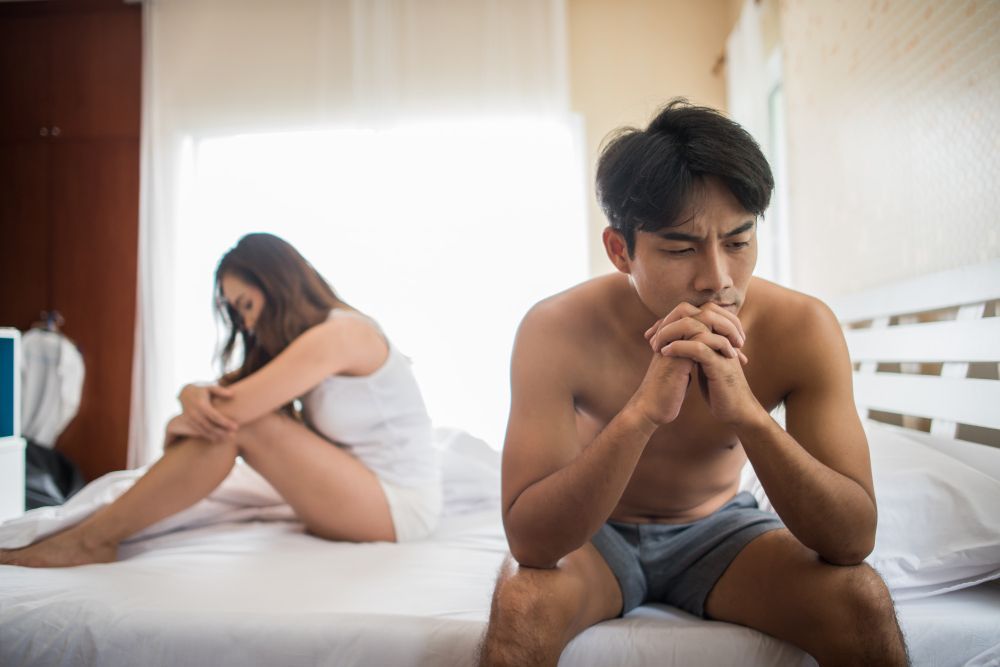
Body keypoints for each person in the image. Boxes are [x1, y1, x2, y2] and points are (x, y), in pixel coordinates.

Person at [478, 100, 909, 666]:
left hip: (721, 534)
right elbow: (531, 544)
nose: (718, 280)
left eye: (738, 241)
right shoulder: (554, 329)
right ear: (619, 251)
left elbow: (852, 541)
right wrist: (640, 415)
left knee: (861, 600)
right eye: (681, 249)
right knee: (522, 603)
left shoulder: (803, 328)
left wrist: (748, 416)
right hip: (594, 539)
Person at [1, 233, 441, 567]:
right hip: (366, 497)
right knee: (237, 421)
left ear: (279, 284)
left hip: (398, 508)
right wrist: (187, 395)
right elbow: (216, 406)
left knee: (244, 423)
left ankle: (89, 540)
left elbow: (229, 412)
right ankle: (89, 537)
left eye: (246, 305)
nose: (247, 325)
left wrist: (188, 406)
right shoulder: (307, 344)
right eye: (237, 312)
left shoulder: (343, 334)